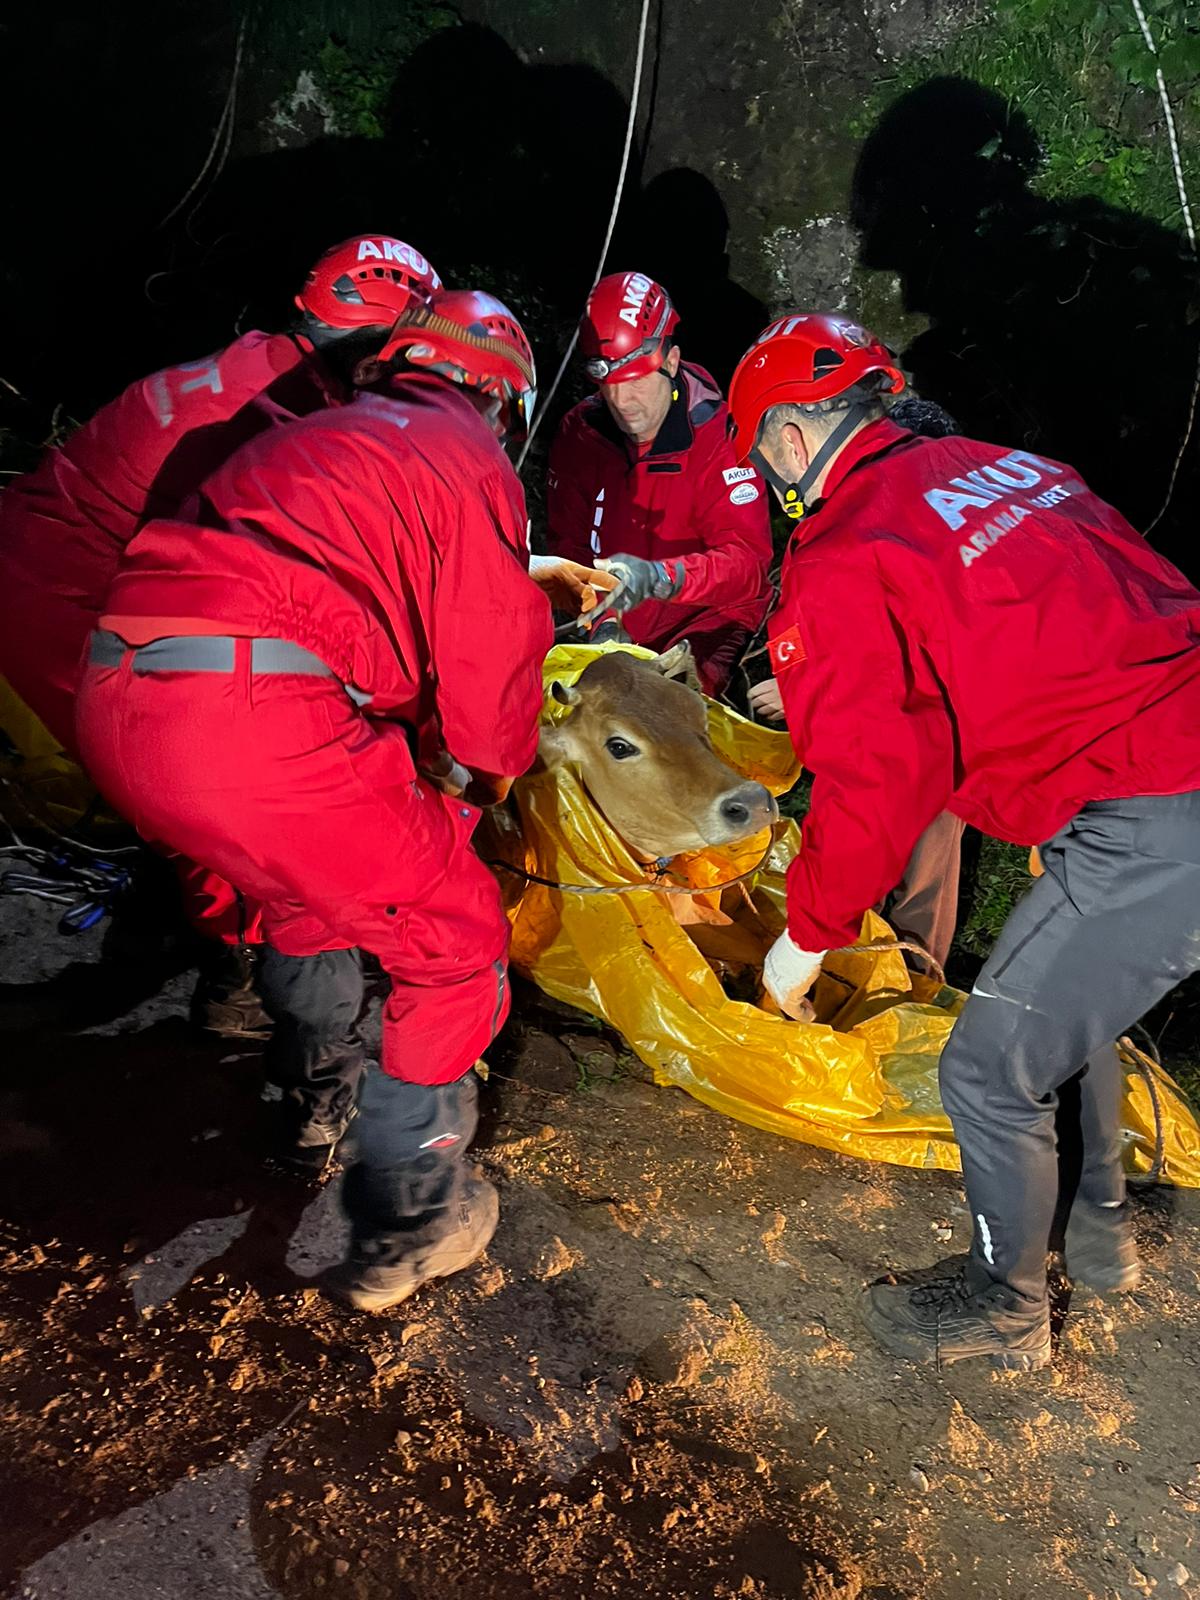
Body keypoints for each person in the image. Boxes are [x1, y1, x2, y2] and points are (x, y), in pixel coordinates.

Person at [726, 311, 1200, 1370]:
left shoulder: (845, 549)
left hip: (1159, 805)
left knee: (986, 1069)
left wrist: (804, 936)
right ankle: (1102, 1217)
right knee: (1061, 1005)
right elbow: (1111, 611)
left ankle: (1006, 1304)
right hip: (1154, 764)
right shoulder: (1015, 468)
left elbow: (878, 778)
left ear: (795, 441)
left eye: (763, 455)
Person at [75, 288, 552, 1311]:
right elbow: (489, 701)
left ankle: (310, 1098)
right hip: (251, 714)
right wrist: (486, 778)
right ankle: (410, 1216)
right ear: (503, 399)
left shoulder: (331, 429)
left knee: (305, 896)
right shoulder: (468, 459)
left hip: (119, 699)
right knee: (456, 936)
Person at [0, 234, 444, 1035]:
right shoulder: (279, 416)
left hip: (41, 559)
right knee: (205, 773)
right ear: (381, 346)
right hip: (70, 598)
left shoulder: (261, 363)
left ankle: (185, 923)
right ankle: (232, 970)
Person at [747, 394, 966, 973]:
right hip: (912, 726)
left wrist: (801, 699)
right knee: (879, 854)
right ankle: (854, 965)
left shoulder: (885, 534)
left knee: (920, 864)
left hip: (939, 736)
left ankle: (911, 982)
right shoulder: (872, 533)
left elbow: (890, 683)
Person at [546, 272, 773, 695]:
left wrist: (659, 578)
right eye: (607, 384)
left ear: (670, 360)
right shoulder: (581, 433)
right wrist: (602, 617)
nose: (621, 402)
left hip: (703, 619)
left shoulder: (720, 437)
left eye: (634, 381)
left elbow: (747, 566)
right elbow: (569, 543)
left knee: (673, 719)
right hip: (616, 621)